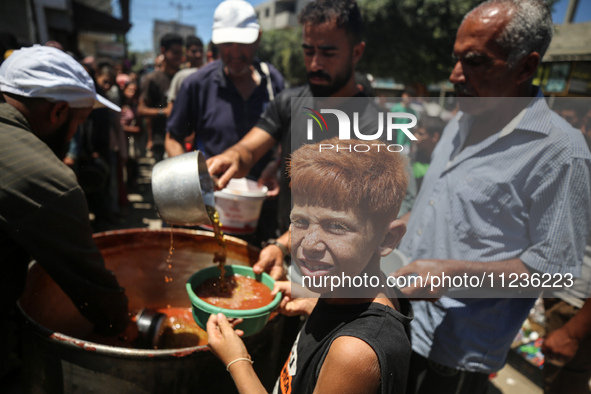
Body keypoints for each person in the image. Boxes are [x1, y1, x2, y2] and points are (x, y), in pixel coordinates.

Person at [389, 1, 591, 393]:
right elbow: (439, 206)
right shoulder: (460, 121)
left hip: (452, 357)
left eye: (475, 61)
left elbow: (556, 269)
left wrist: (450, 274)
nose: (455, 74)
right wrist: (396, 231)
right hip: (402, 320)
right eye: (456, 59)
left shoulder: (561, 153)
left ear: (526, 67)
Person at [207, 137, 413, 394]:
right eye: (301, 221)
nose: (309, 244)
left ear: (387, 239)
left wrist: (237, 362)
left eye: (336, 226)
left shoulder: (354, 352)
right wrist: (311, 303)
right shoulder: (355, 290)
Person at [207, 0, 377, 279]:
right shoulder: (289, 102)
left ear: (356, 52)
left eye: (328, 53)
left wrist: (281, 244)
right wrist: (232, 158)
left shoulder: (370, 125)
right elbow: (249, 148)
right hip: (283, 252)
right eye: (308, 51)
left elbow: (338, 210)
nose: (315, 63)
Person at [0, 46, 134, 380]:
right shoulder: (48, 179)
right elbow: (92, 287)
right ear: (58, 112)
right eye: (79, 123)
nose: (74, 135)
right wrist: (123, 325)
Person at [165, 0, 284, 182]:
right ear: (216, 42)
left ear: (258, 38)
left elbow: (284, 135)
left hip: (264, 196)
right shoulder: (197, 84)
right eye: (227, 42)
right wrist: (191, 181)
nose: (235, 52)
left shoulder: (273, 81)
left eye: (243, 42)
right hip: (215, 196)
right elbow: (173, 139)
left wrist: (276, 163)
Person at [138, 33, 183, 161]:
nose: (179, 57)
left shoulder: (184, 78)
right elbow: (141, 110)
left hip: (181, 140)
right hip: (161, 141)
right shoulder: (152, 79)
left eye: (181, 53)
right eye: (175, 52)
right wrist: (164, 112)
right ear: (163, 51)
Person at [410, 116, 443, 192]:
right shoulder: (413, 158)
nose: (415, 137)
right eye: (415, 132)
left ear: (435, 137)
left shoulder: (444, 163)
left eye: (420, 134)